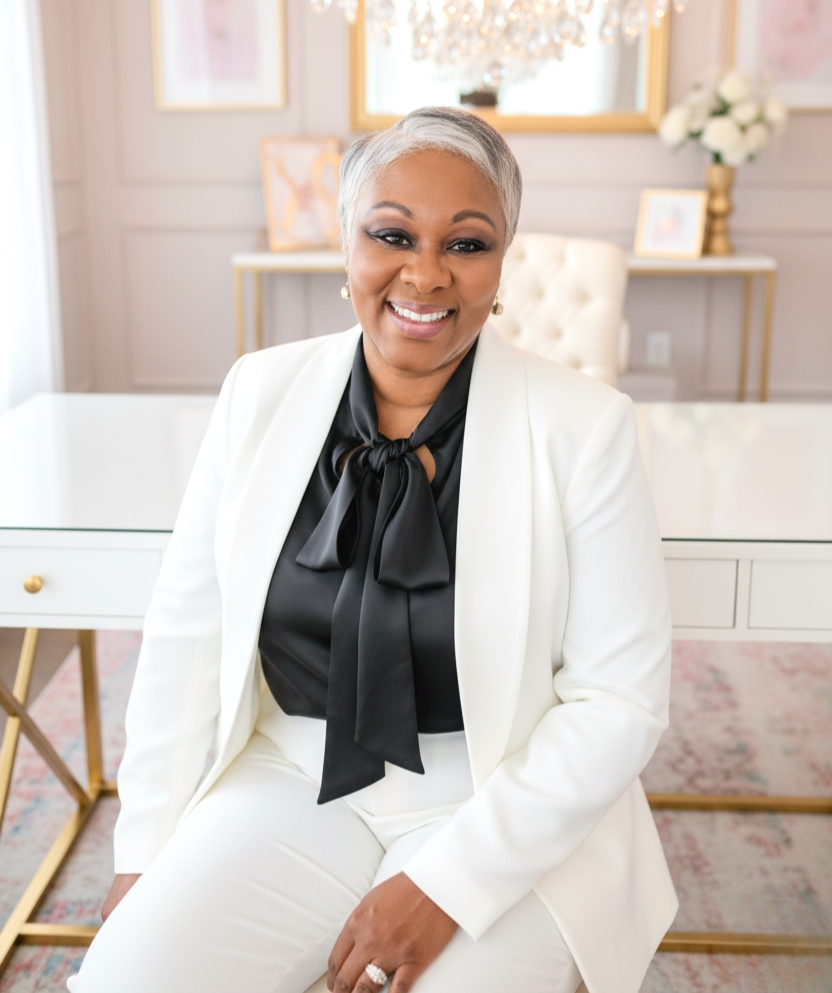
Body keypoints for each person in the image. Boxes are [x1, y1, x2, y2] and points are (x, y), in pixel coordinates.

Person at [69, 106, 677, 993]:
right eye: (392, 234)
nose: (425, 275)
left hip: (499, 789)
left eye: (466, 245)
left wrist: (448, 883)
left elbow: (619, 700)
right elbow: (185, 637)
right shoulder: (258, 392)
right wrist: (143, 855)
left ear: (502, 263)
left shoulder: (586, 428)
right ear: (347, 246)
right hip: (289, 767)